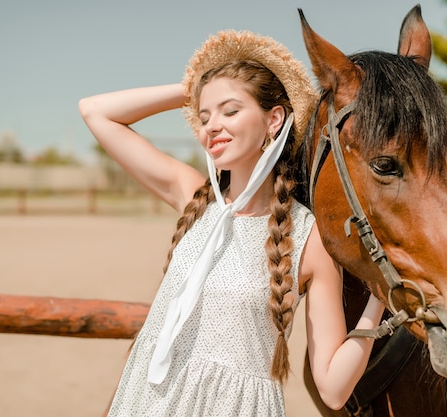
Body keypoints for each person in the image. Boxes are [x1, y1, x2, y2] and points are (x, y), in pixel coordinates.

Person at [79, 29, 385, 416]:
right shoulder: (195, 196)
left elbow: (333, 390)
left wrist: (378, 299)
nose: (210, 126)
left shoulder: (308, 239)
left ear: (275, 119)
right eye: (203, 117)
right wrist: (195, 87)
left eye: (230, 110)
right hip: (149, 402)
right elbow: (95, 111)